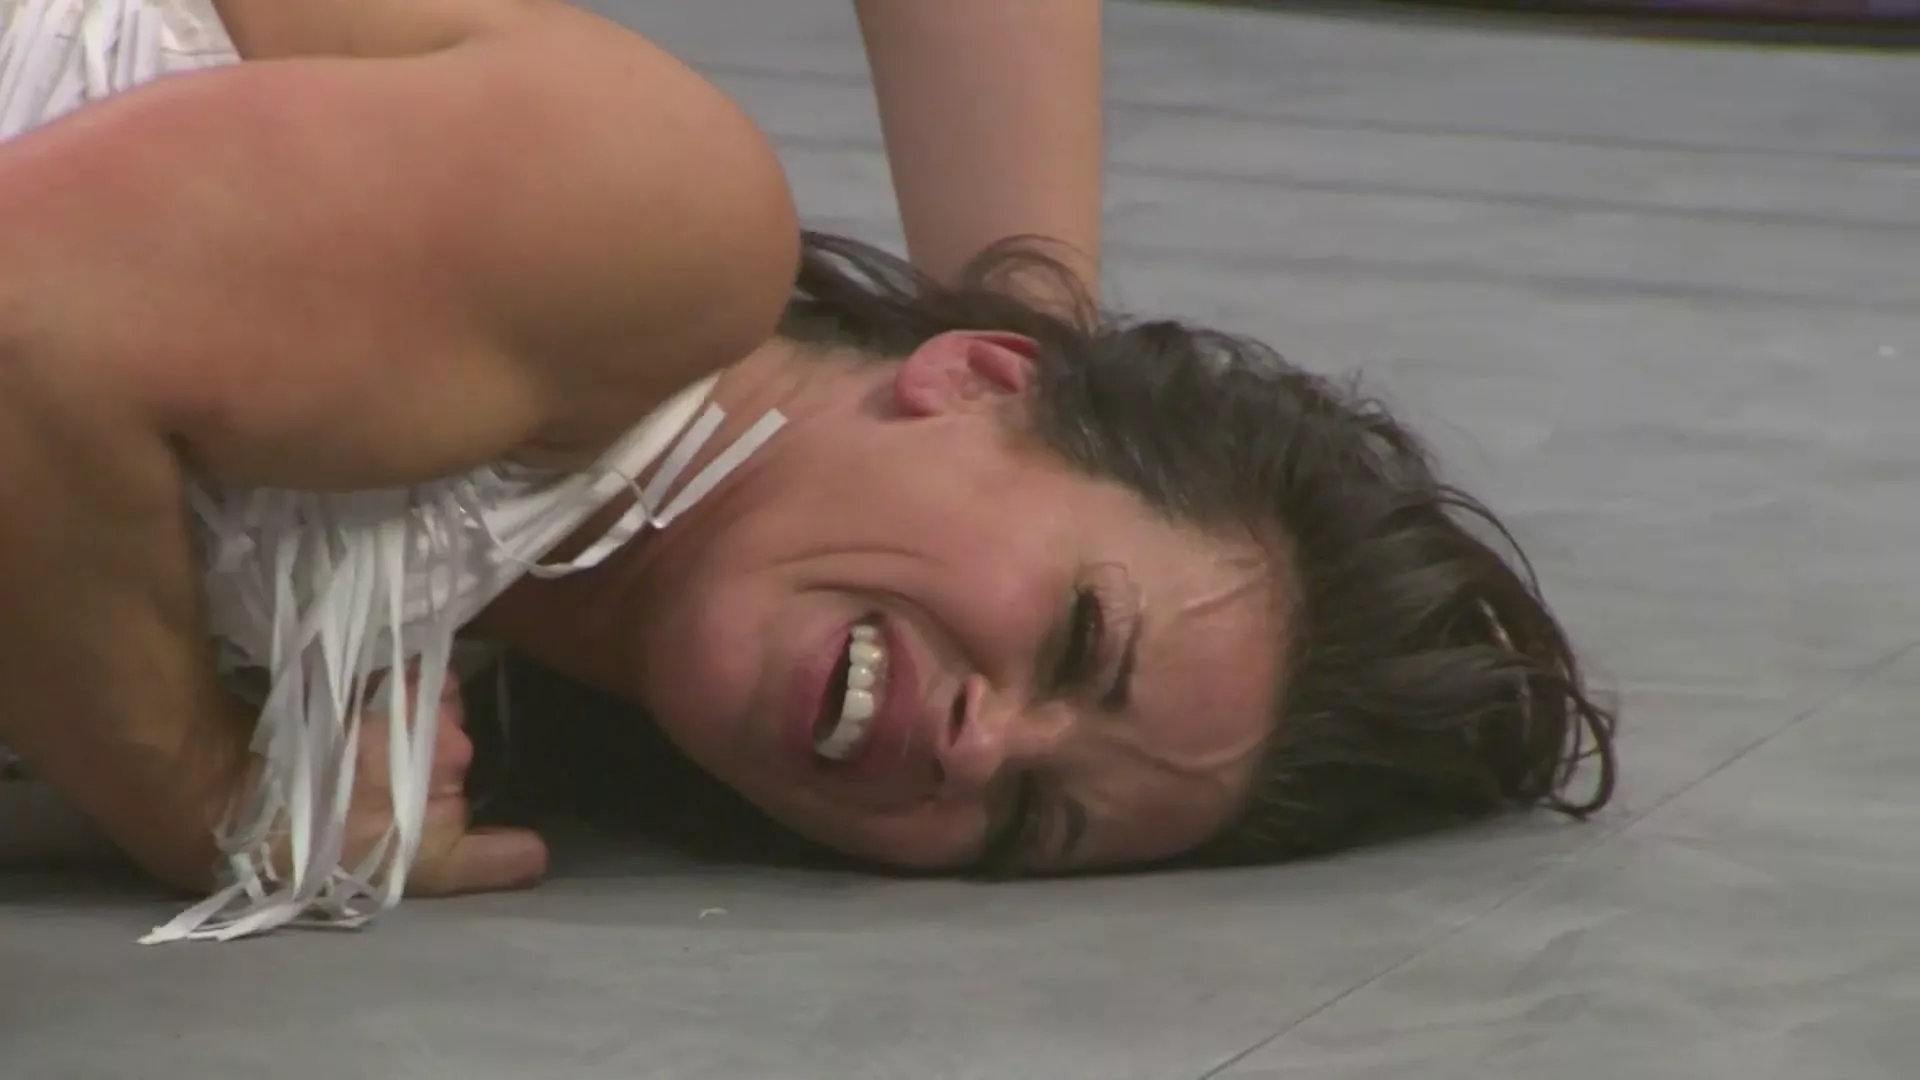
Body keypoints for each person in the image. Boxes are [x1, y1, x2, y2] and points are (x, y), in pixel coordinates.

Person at [0, 0, 1616, 942]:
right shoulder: (666, 227)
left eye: (1027, 822)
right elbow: (25, 321)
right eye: (1078, 642)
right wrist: (197, 795)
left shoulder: (439, 708)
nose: (982, 747)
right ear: (980, 377)